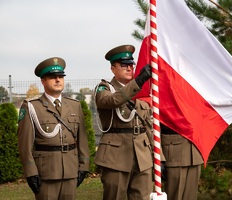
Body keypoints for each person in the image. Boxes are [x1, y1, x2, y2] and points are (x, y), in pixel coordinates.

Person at [17, 57, 90, 200]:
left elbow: (82, 140)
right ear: (43, 81)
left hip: (70, 170)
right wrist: (31, 172)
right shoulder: (32, 106)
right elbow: (24, 145)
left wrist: (84, 165)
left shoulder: (75, 105)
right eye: (52, 77)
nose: (58, 80)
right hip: (46, 172)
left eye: (60, 77)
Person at [94, 44, 153, 200]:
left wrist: (160, 159)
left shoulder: (141, 90)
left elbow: (147, 126)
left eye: (131, 65)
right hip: (116, 157)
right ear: (113, 69)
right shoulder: (104, 88)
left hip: (142, 156)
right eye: (123, 65)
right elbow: (112, 100)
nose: (129, 68)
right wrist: (138, 81)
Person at [160, 123, 203, 200]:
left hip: (195, 152)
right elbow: (153, 128)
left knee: (191, 197)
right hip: (174, 153)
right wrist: (159, 158)